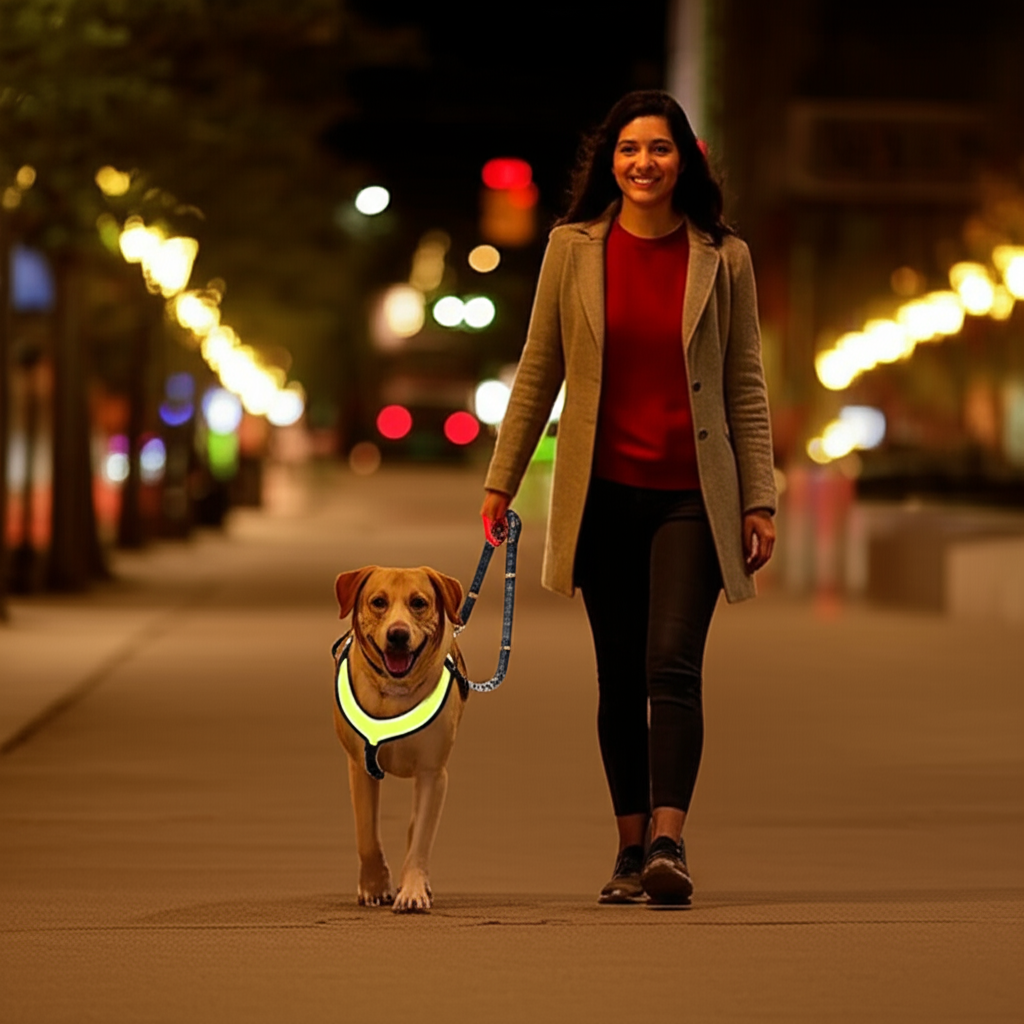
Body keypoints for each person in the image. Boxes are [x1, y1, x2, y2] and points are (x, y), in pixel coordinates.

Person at [480, 90, 776, 905]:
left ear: (686, 160)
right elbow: (539, 368)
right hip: (602, 492)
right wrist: (501, 480)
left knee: (671, 666)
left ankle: (670, 844)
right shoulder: (573, 249)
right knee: (617, 679)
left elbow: (745, 384)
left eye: (660, 149)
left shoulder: (724, 256)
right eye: (629, 150)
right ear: (610, 161)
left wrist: (761, 498)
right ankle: (628, 847)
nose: (644, 163)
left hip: (693, 494)